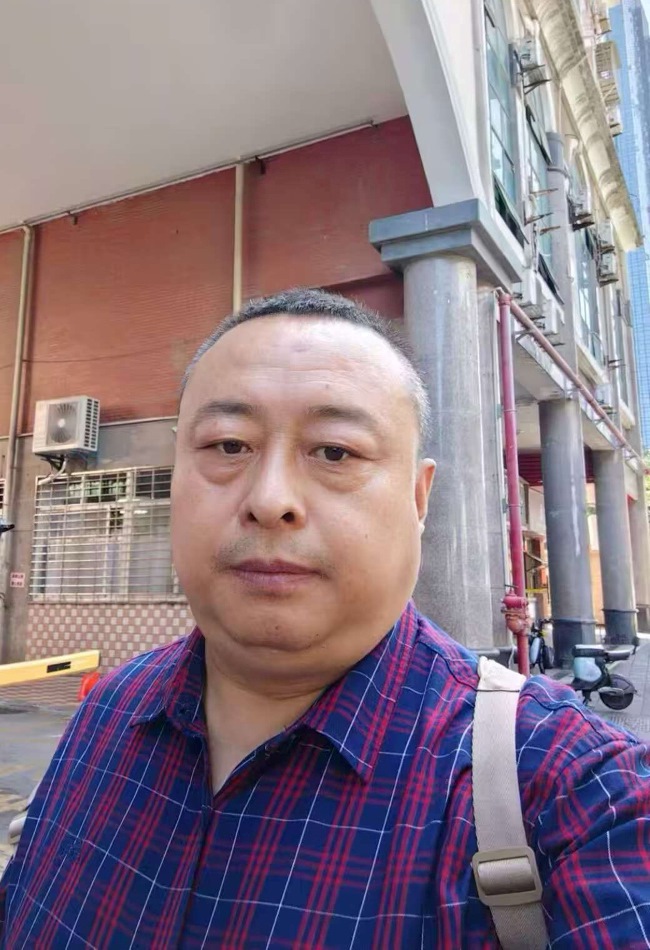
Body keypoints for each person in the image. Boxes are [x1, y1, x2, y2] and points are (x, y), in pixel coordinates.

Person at [1, 288, 648, 948]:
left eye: (335, 452)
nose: (270, 499)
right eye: (228, 445)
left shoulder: (573, 793)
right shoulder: (107, 713)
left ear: (418, 497)